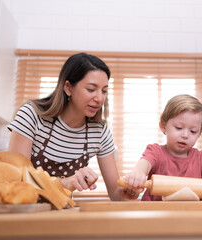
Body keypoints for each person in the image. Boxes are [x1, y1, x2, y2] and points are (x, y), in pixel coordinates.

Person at [8, 53, 137, 200]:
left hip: (62, 212)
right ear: (68, 88)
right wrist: (64, 183)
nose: (99, 98)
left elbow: (115, 193)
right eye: (91, 89)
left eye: (104, 91)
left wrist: (128, 192)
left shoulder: (100, 132)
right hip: (24, 211)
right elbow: (16, 180)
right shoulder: (31, 116)